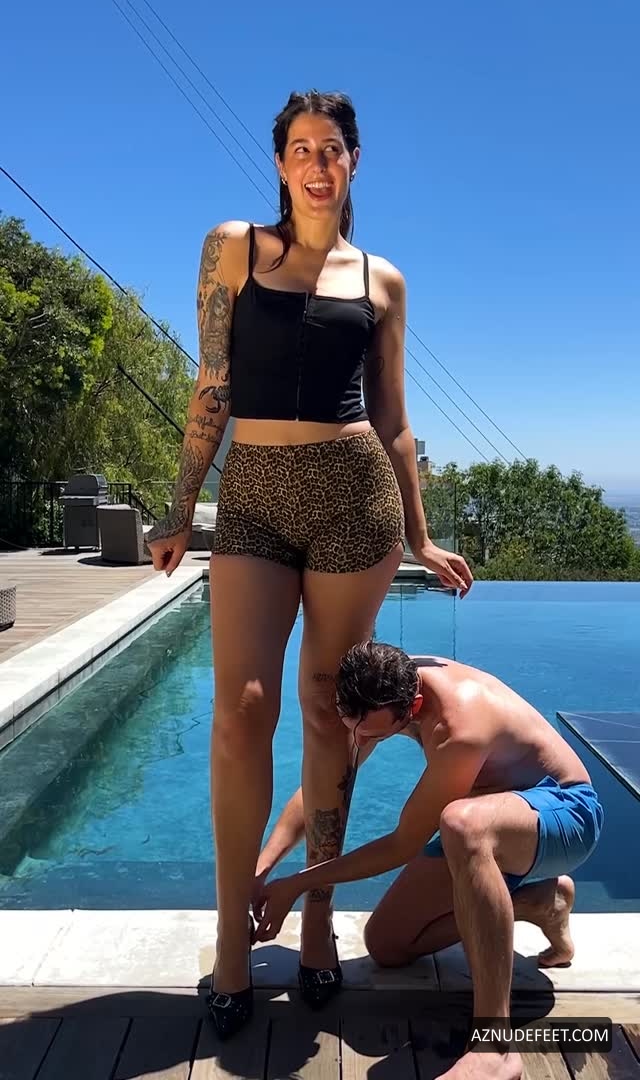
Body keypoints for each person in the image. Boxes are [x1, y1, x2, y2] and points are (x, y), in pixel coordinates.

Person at [146, 89, 474, 1040]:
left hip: (354, 502)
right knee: (241, 710)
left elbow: (395, 421)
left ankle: (320, 911)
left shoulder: (381, 281)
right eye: (300, 148)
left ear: (354, 161)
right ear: (280, 163)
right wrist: (181, 508)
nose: (317, 164)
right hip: (253, 494)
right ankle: (230, 934)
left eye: (332, 148)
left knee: (331, 708)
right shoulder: (234, 248)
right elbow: (211, 386)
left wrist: (420, 536)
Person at [253, 641, 604, 1080]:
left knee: (459, 823)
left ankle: (495, 1047)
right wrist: (264, 868)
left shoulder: (459, 728)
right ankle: (538, 902)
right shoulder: (382, 684)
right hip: (489, 819)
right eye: (354, 729)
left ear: (414, 707)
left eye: (373, 736)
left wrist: (297, 884)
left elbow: (401, 845)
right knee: (388, 944)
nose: (359, 742)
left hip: (565, 815)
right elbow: (325, 788)